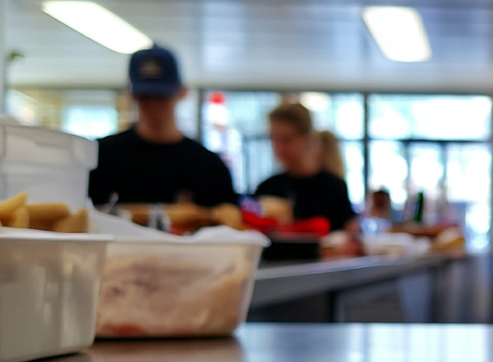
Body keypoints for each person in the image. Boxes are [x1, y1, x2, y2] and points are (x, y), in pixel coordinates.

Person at [88, 45, 237, 208]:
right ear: (131, 95)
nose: (153, 105)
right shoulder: (100, 157)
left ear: (182, 92)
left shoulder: (209, 166)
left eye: (161, 96)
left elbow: (229, 224)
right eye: (145, 97)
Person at [254, 103, 357, 233]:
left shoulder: (334, 188)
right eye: (274, 139)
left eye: (287, 139)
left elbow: (346, 236)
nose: (279, 148)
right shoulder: (267, 188)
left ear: (306, 138)